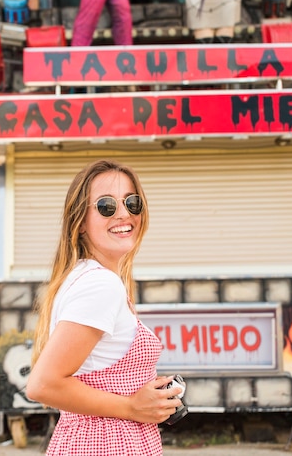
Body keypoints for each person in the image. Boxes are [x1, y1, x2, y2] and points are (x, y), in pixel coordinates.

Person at [27, 159, 183, 455]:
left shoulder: (85, 278)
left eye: (132, 202)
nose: (124, 213)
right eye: (106, 206)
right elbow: (43, 385)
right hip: (106, 444)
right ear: (80, 223)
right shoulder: (100, 285)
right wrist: (131, 406)